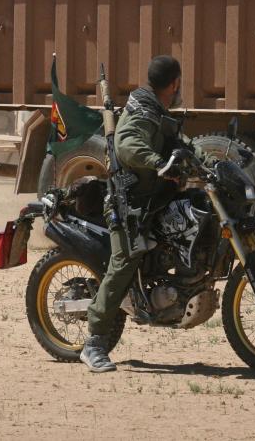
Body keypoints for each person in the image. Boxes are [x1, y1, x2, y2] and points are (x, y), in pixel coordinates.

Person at [80, 55, 191, 373]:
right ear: (175, 83)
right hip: (128, 204)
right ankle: (95, 343)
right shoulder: (142, 111)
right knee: (125, 261)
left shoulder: (157, 110)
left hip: (152, 201)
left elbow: (181, 143)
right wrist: (159, 163)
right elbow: (128, 146)